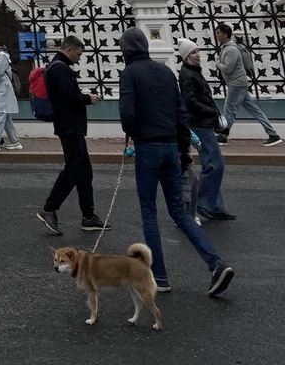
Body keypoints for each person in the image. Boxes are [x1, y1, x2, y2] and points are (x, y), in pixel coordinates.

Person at [118, 27, 234, 297]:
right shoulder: (165, 71)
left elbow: (127, 117)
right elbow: (181, 114)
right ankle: (216, 264)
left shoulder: (129, 74)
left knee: (149, 212)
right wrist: (184, 151)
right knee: (180, 213)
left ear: (126, 50)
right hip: (172, 146)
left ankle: (159, 276)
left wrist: (134, 133)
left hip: (147, 147)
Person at [36, 35, 106, 235]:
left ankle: (88, 216)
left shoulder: (57, 66)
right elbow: (69, 97)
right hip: (70, 126)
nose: (79, 58)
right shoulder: (60, 68)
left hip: (70, 126)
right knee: (74, 169)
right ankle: (49, 208)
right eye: (79, 54)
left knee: (84, 171)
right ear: (69, 49)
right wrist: (87, 98)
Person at [177, 39, 234, 222]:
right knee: (214, 164)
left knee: (214, 163)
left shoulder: (193, 72)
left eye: (198, 51)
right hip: (198, 123)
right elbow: (189, 101)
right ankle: (203, 204)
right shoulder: (187, 74)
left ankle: (215, 206)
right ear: (186, 55)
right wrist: (210, 111)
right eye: (193, 52)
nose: (198, 55)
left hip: (203, 122)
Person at [214, 22, 281, 146]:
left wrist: (217, 63)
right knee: (253, 109)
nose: (216, 36)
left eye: (218, 33)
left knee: (229, 109)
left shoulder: (232, 49)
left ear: (225, 34)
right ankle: (273, 134)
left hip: (237, 83)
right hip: (237, 83)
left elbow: (228, 68)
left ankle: (223, 136)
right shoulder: (226, 48)